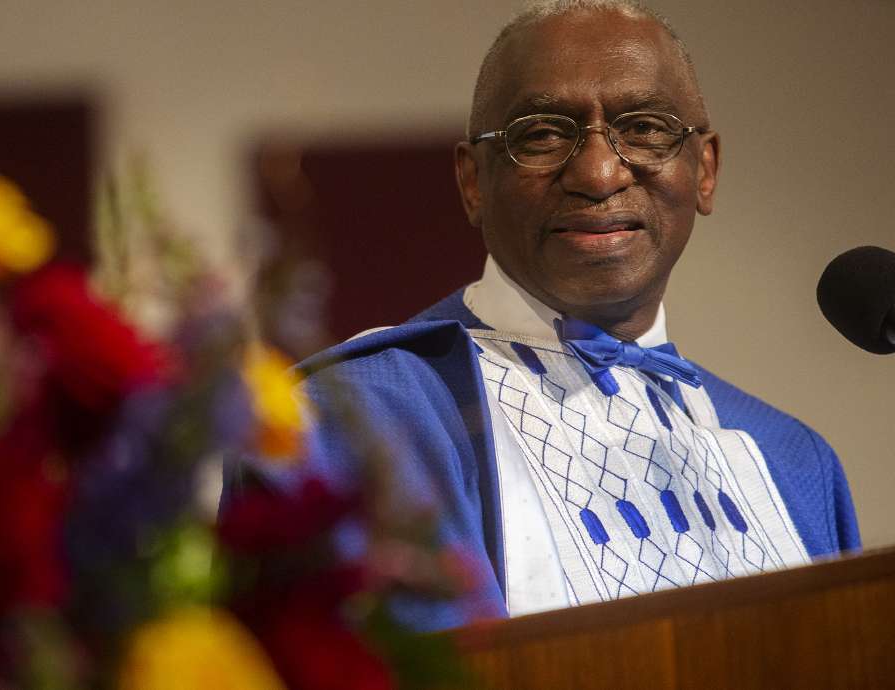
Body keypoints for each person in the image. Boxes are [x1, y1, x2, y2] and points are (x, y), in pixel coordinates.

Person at [254, 0, 861, 632]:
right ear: (473, 182)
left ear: (703, 170)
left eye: (647, 127)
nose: (598, 174)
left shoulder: (794, 462)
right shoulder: (354, 419)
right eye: (542, 134)